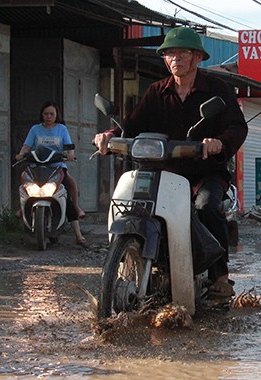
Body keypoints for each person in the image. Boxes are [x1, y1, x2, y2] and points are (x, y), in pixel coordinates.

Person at [93, 27, 248, 298]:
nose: (175, 59)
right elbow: (132, 125)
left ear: (198, 57)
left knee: (206, 206)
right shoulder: (156, 91)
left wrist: (219, 142)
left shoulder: (217, 89)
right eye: (169, 54)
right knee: (136, 206)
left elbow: (238, 127)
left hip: (205, 173)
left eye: (182, 53)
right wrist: (110, 135)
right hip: (163, 173)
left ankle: (219, 277)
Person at [16, 101, 86, 245]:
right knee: (25, 183)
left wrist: (70, 154)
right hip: (37, 166)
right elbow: (27, 145)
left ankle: (78, 234)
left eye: (51, 114)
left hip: (56, 167)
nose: (48, 117)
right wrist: (21, 154)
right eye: (46, 114)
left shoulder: (62, 129)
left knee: (69, 185)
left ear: (56, 115)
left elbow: (68, 145)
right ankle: (23, 208)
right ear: (42, 115)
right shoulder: (35, 129)